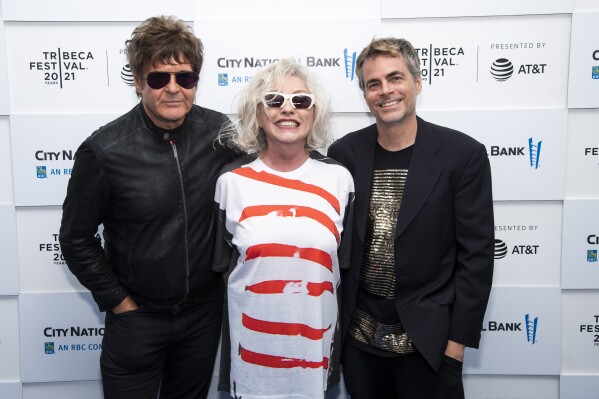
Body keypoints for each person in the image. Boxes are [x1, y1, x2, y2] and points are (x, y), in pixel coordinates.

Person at [59, 15, 237, 398]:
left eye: (185, 78)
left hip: (202, 318)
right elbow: (75, 239)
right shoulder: (104, 150)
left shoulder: (222, 134)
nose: (173, 89)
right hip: (136, 321)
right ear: (139, 82)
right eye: (159, 78)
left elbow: (280, 156)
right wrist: (121, 304)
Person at [327, 37, 494, 399]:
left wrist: (456, 345)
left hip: (429, 347)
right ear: (365, 94)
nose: (386, 91)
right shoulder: (343, 154)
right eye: (374, 84)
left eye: (395, 78)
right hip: (359, 347)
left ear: (417, 83)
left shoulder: (462, 155)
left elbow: (476, 257)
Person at [213, 59, 354, 399]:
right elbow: (223, 271)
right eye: (274, 100)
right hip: (251, 364)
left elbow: (343, 271)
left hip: (315, 360)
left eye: (300, 100)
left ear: (313, 113)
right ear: (258, 114)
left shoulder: (339, 179)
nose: (287, 109)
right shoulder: (231, 183)